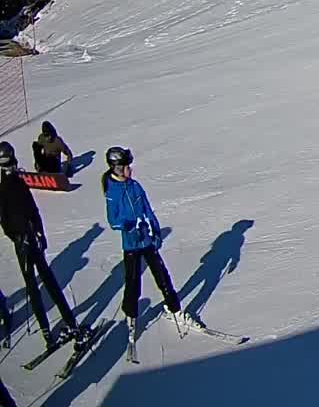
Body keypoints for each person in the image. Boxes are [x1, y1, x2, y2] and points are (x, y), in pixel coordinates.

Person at [103, 146, 205, 347]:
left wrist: (156, 231)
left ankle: (174, 310)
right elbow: (112, 220)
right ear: (116, 168)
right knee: (133, 283)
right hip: (131, 243)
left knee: (162, 276)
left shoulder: (135, 186)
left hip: (146, 240)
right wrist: (128, 225)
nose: (129, 170)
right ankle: (131, 317)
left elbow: (148, 210)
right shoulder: (112, 191)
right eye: (125, 167)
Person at [0, 142, 87, 352]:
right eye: (7, 164)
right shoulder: (3, 187)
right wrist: (18, 238)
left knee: (49, 282)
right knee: (34, 288)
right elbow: (4, 221)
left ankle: (70, 323)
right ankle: (47, 333)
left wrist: (40, 233)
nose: (11, 166)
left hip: (31, 239)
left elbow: (33, 209)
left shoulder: (19, 182)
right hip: (23, 243)